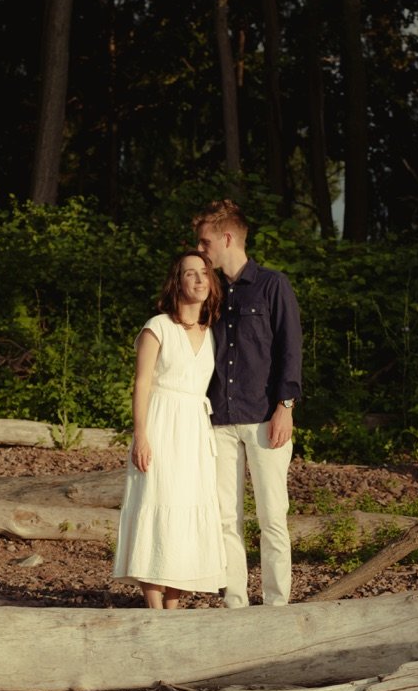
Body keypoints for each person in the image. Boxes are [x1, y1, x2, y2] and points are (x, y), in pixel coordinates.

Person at [193, 199, 302, 608]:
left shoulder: (273, 285)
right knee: (225, 520)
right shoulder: (211, 291)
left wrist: (285, 406)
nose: (201, 251)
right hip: (219, 418)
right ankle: (235, 605)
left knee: (273, 518)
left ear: (226, 238)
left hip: (264, 418)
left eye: (205, 243)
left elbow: (290, 350)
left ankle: (276, 607)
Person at [112, 250, 227, 609]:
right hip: (162, 424)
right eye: (190, 274)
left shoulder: (212, 334)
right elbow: (142, 384)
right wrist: (141, 435)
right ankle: (154, 608)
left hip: (194, 428)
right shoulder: (157, 326)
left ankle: (173, 609)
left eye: (204, 273)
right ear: (177, 282)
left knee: (187, 510)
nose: (198, 279)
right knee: (156, 504)